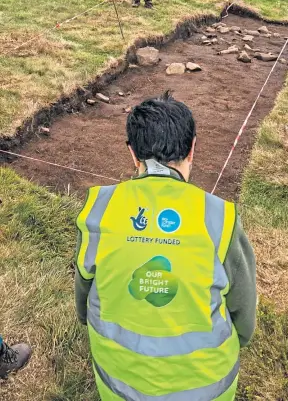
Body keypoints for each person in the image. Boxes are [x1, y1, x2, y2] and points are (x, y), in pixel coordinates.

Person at [75, 91, 257, 401]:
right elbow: (244, 311)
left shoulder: (99, 208)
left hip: (117, 386)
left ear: (133, 154)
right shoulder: (219, 216)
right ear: (192, 149)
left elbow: (83, 294)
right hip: (209, 390)